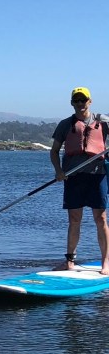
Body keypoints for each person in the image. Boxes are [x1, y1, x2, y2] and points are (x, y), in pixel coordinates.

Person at [50, 86, 109, 274]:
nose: (80, 103)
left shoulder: (104, 122)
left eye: (83, 100)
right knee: (74, 220)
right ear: (72, 103)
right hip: (73, 177)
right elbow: (53, 151)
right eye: (76, 100)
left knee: (100, 218)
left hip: (97, 176)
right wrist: (58, 171)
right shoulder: (65, 124)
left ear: (89, 101)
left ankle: (106, 263)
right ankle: (69, 261)